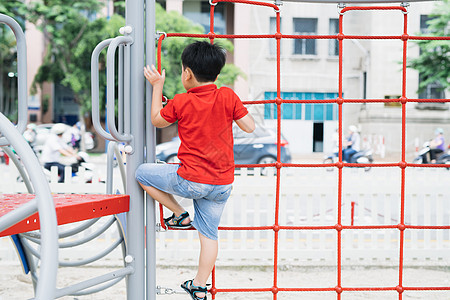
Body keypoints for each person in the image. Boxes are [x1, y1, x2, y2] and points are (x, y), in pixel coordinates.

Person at [135, 41, 255, 300]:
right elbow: (249, 126)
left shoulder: (182, 101)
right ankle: (199, 285)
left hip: (191, 181)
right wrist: (232, 109)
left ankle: (179, 214)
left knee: (142, 173)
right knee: (209, 236)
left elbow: (156, 120)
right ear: (218, 74)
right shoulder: (227, 96)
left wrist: (157, 87)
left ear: (187, 73)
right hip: (222, 184)